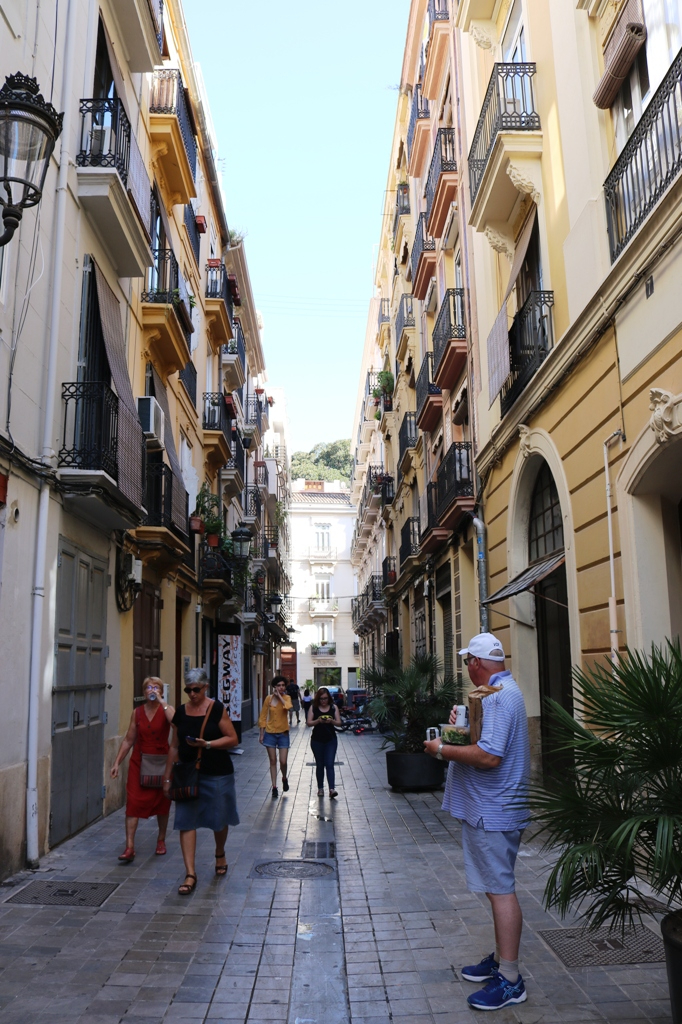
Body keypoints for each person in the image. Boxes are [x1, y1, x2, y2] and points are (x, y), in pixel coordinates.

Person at [424, 632, 530, 1012]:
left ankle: (511, 980)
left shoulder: (498, 698)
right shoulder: (501, 692)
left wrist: (441, 749)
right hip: (496, 809)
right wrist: (462, 725)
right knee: (495, 886)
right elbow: (488, 741)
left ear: (475, 663)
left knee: (500, 890)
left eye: (467, 661)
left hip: (493, 812)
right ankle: (501, 959)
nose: (467, 668)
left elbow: (488, 756)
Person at [163, 668, 239, 895]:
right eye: (188, 690)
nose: (192, 694)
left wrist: (207, 744)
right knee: (186, 821)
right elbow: (174, 746)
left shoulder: (216, 709)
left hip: (217, 772)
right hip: (187, 773)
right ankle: (190, 873)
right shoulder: (180, 712)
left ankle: (219, 852)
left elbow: (233, 739)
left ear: (205, 687)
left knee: (219, 818)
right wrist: (167, 777)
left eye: (196, 689)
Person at [110, 677, 174, 863]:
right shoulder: (137, 713)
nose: (151, 690)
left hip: (161, 761)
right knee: (133, 803)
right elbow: (129, 740)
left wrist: (162, 701)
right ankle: (129, 847)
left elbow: (176, 722)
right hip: (139, 762)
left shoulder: (167, 710)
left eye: (156, 687)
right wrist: (116, 763)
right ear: (144, 692)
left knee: (162, 803)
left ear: (161, 691)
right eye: (148, 688)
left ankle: (161, 840)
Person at [258, 676, 292, 798]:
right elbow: (263, 716)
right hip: (270, 733)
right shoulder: (268, 699)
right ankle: (274, 787)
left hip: (283, 733)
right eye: (278, 685)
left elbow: (288, 707)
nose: (281, 687)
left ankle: (284, 777)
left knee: (283, 761)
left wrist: (280, 697)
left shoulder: (287, 698)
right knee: (272, 760)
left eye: (283, 685)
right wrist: (261, 733)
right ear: (274, 687)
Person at [306, 686, 341, 798]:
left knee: (330, 764)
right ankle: (320, 788)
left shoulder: (333, 707)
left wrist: (332, 721)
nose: (323, 701)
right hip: (317, 740)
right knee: (320, 764)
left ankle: (332, 789)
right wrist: (318, 721)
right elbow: (309, 723)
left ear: (329, 698)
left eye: (325, 698)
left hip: (331, 740)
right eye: (321, 699)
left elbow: (339, 723)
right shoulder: (313, 708)